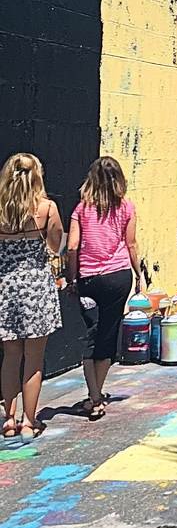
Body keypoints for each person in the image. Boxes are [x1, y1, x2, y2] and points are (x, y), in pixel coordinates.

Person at [66, 157, 141, 420]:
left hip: (89, 280)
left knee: (92, 334)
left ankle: (95, 398)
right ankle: (96, 396)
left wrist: (72, 278)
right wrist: (138, 273)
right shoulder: (126, 207)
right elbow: (131, 244)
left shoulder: (81, 209)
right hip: (118, 278)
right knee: (108, 335)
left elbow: (72, 246)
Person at [0, 153, 64, 441]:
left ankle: (9, 419)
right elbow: (56, 245)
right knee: (34, 359)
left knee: (10, 356)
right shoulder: (47, 208)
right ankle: (28, 421)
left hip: (5, 287)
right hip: (36, 288)